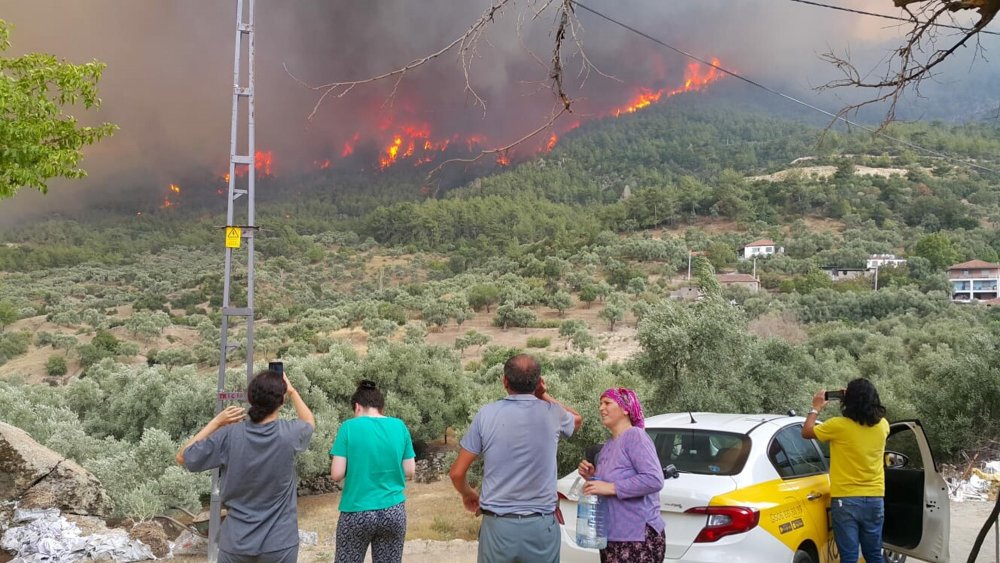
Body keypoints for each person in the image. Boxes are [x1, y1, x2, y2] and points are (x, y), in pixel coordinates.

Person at [449, 353, 583, 563]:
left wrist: (468, 494)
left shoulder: (486, 414)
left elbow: (457, 472)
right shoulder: (553, 413)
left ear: (505, 381)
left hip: (498, 528)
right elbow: (577, 420)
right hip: (541, 528)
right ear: (539, 382)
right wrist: (544, 396)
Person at [176, 369, 315, 563]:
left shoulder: (229, 435)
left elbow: (183, 456)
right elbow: (309, 421)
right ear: (281, 401)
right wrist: (292, 391)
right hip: (280, 542)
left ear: (250, 399)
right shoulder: (289, 434)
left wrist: (216, 422)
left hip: (236, 543)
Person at [802, 378, 889, 563]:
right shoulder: (884, 426)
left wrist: (816, 407)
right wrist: (851, 396)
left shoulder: (838, 426)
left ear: (848, 400)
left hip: (846, 500)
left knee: (849, 557)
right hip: (875, 499)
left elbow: (807, 431)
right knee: (874, 554)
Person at [329, 380, 416, 563]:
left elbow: (336, 474)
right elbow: (410, 470)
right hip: (393, 510)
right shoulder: (399, 426)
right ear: (380, 407)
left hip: (357, 511)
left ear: (357, 407)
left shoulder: (348, 427)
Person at [577, 387, 664, 563]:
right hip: (611, 536)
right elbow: (607, 487)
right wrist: (592, 477)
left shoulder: (635, 436)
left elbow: (654, 479)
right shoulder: (608, 446)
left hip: (637, 537)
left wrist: (611, 487)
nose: (601, 408)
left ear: (626, 409)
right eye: (600, 404)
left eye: (607, 403)